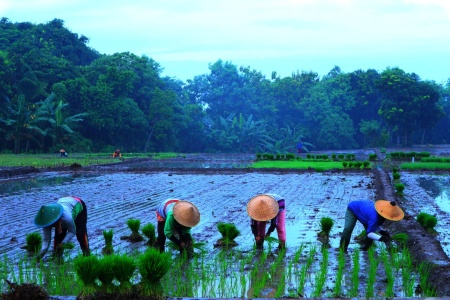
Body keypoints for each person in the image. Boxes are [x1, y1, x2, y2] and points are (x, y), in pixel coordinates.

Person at [339, 199, 404, 253]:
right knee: (348, 228)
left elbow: (375, 225)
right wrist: (382, 239)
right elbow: (370, 234)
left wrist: (382, 232)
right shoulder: (375, 216)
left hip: (365, 214)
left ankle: (366, 247)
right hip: (353, 209)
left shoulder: (380, 213)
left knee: (370, 229)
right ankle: (343, 249)